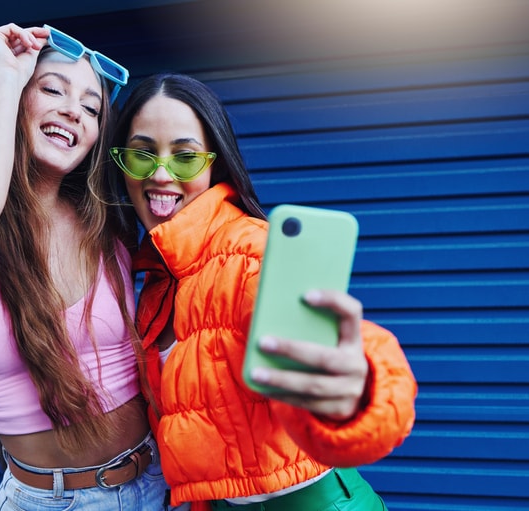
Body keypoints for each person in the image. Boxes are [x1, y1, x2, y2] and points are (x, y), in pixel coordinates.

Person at [0, 23, 177, 510]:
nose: (73, 110)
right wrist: (5, 75)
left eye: (91, 107)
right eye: (52, 89)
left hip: (155, 483)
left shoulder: (110, 230)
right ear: (17, 99)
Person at [107, 73, 418, 510]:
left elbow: (361, 353)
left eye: (185, 157)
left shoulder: (252, 249)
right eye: (142, 154)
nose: (161, 173)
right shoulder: (157, 276)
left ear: (215, 163)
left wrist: (357, 389)